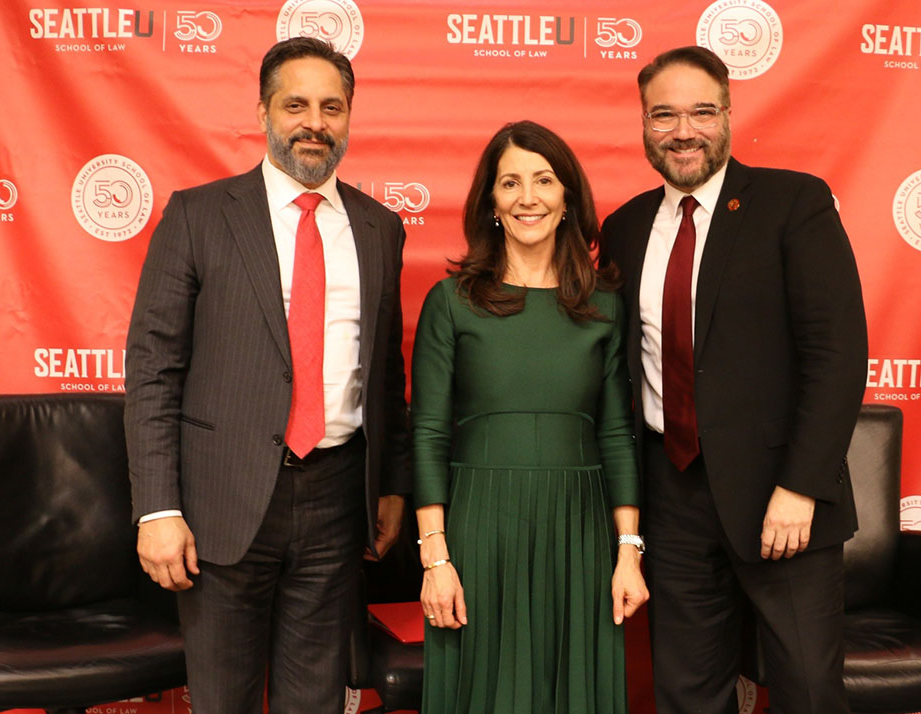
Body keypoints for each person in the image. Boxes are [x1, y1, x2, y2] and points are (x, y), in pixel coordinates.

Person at [123, 37, 411, 714]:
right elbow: (154, 368)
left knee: (314, 699)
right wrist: (158, 508)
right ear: (263, 111)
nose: (315, 121)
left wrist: (393, 488)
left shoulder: (380, 228)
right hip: (220, 503)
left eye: (331, 106)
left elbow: (387, 371)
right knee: (222, 699)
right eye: (296, 104)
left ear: (349, 116)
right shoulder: (198, 216)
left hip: (338, 498)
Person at [600, 46, 868, 714]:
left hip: (783, 500)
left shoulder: (793, 202)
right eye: (664, 114)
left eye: (700, 112)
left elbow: (837, 355)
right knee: (687, 691)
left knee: (807, 691)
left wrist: (802, 486)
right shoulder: (625, 228)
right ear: (642, 122)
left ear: (728, 114)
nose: (682, 131)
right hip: (671, 492)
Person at [411, 120, 648, 714]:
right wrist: (435, 559)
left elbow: (618, 433)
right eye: (510, 182)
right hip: (478, 532)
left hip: (581, 533)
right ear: (490, 201)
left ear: (568, 197)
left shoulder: (604, 304)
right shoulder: (451, 302)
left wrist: (627, 551)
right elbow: (429, 433)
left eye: (544, 180)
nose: (528, 197)